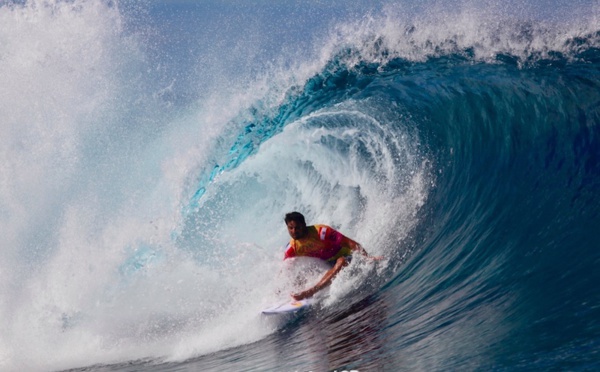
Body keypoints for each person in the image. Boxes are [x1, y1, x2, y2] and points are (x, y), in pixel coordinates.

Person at [283, 211, 380, 300]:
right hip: (326, 265)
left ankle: (311, 292)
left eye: (297, 227)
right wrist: (279, 288)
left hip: (346, 256)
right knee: (300, 274)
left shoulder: (321, 232)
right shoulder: (292, 247)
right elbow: (285, 269)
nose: (294, 231)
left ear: (304, 225)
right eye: (290, 228)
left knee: (341, 261)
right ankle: (291, 295)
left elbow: (349, 243)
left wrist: (367, 257)